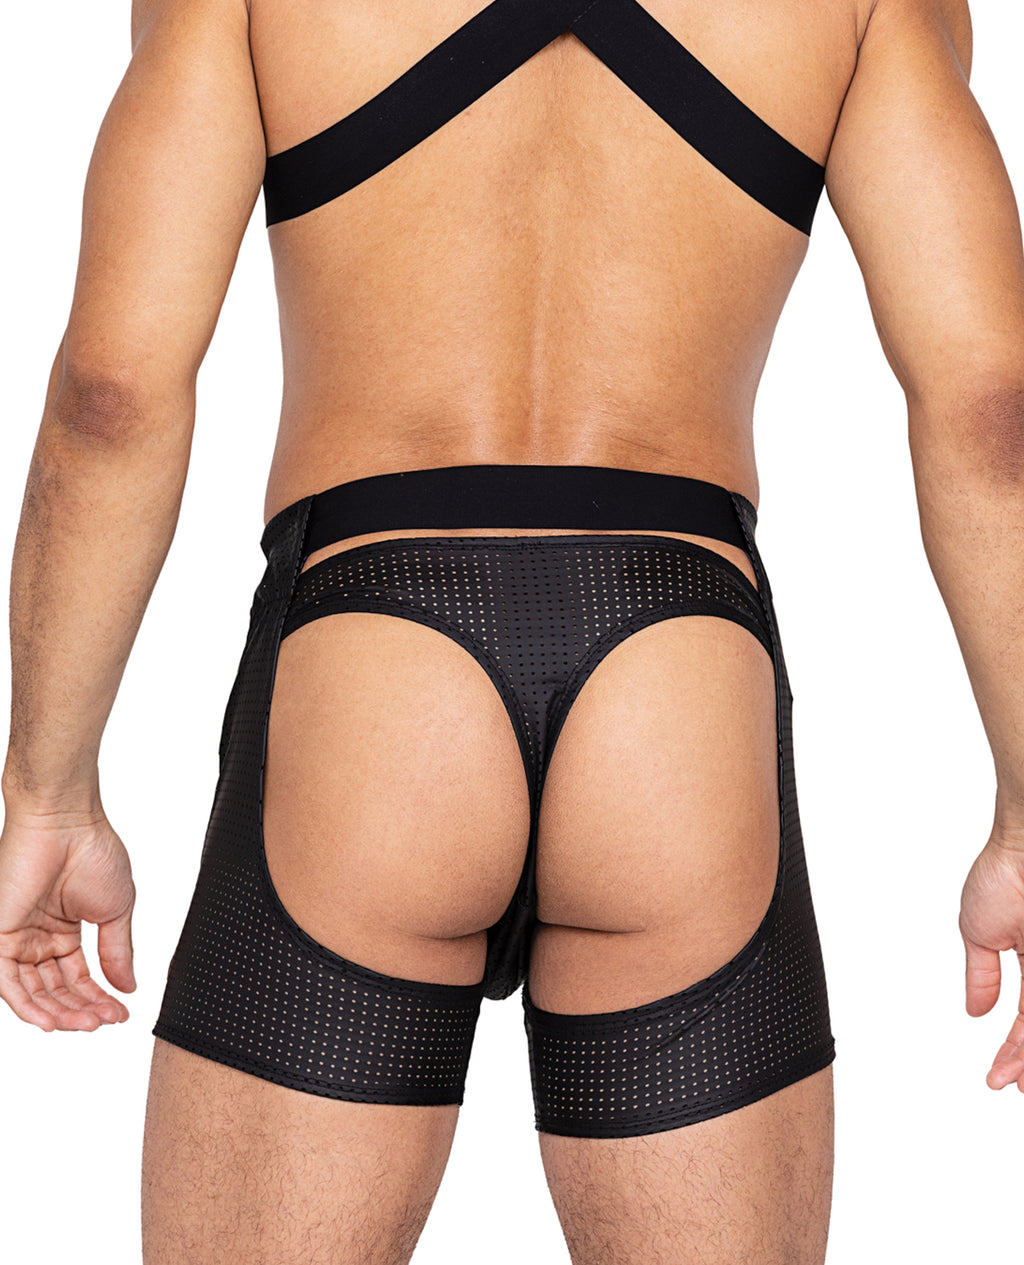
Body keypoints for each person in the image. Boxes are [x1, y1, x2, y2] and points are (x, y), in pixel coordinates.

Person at [2, 1, 1023, 1262]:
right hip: (676, 694)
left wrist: (48, 791)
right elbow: (990, 411)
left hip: (373, 681)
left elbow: (111, 391)